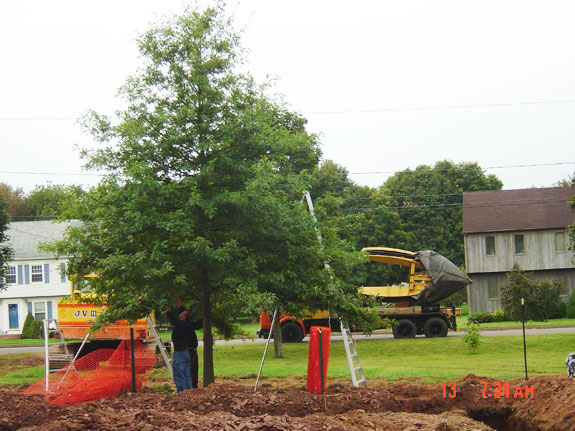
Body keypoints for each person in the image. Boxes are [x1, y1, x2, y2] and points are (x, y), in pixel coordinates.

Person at [166, 293, 203, 392]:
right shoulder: (190, 325)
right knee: (187, 374)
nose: (181, 312)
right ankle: (189, 392)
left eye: (182, 313)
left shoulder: (178, 324)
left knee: (179, 375)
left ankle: (182, 393)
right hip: (186, 353)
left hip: (180, 353)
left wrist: (166, 299)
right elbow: (180, 306)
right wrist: (175, 294)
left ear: (183, 317)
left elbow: (169, 312)